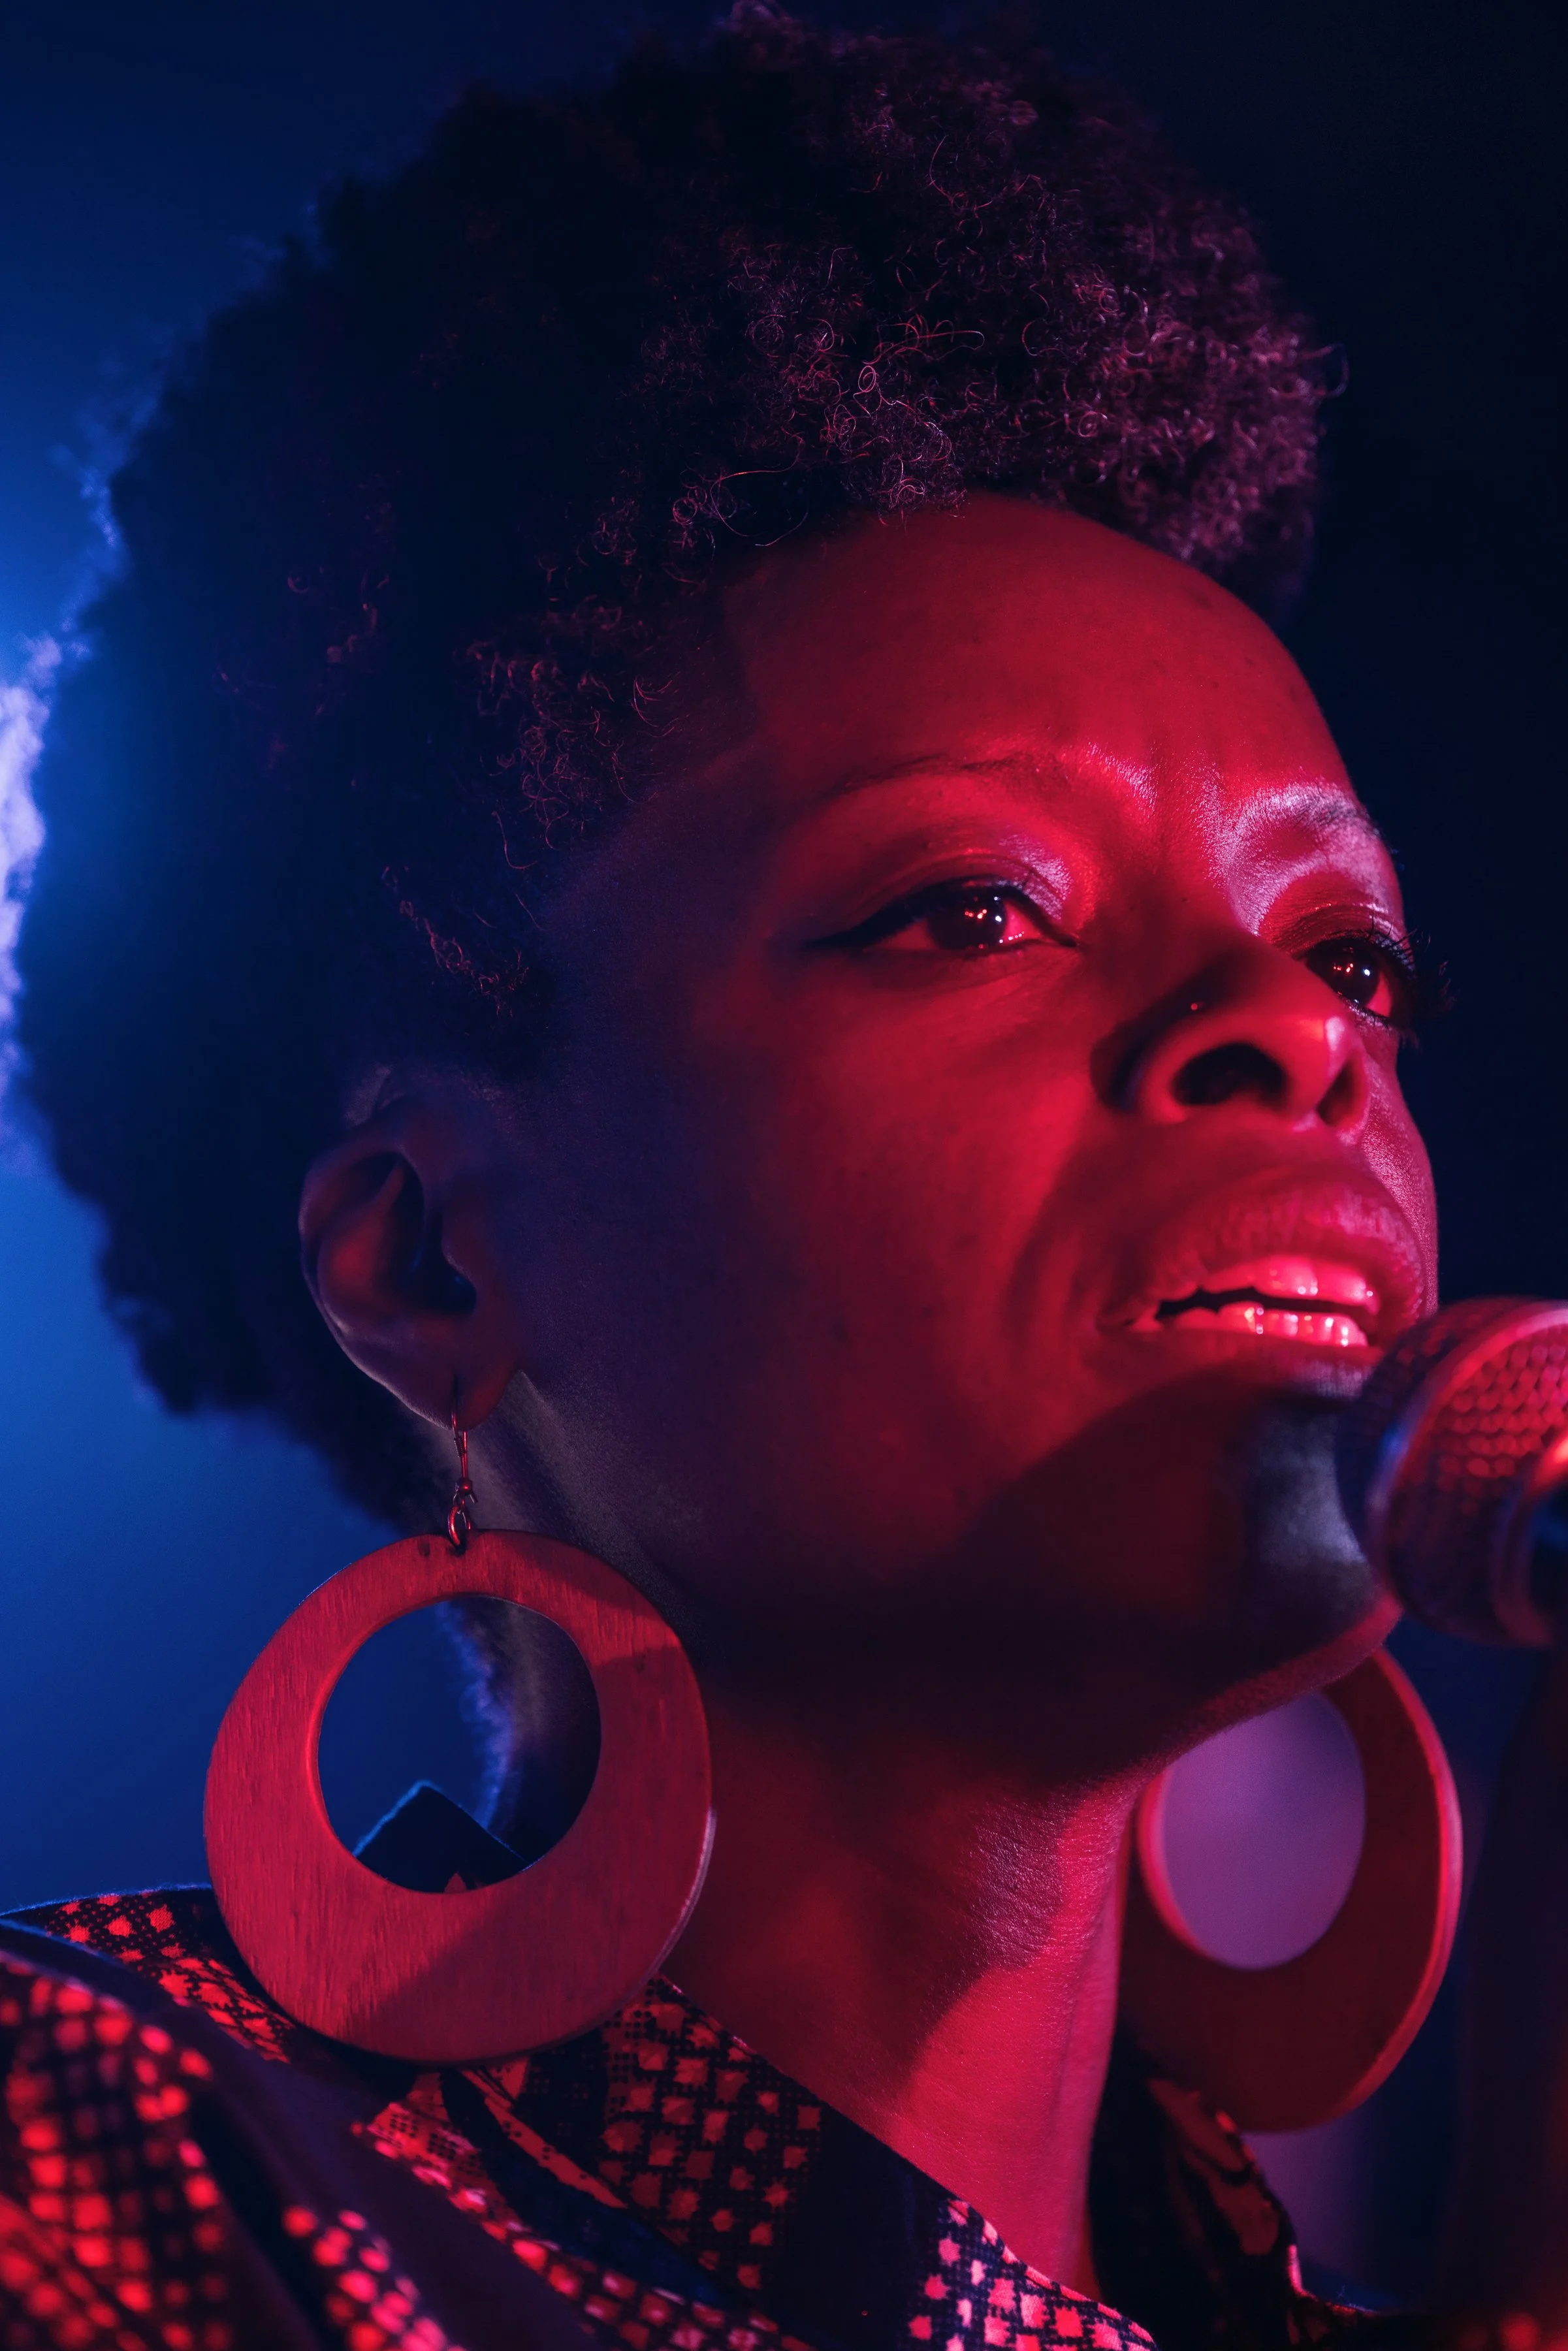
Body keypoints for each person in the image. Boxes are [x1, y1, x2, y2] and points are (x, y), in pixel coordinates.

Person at [5, 10, 1557, 2344]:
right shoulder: (103, 2152)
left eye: (1357, 954)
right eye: (971, 909)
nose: (1303, 1031)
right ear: (428, 1261)